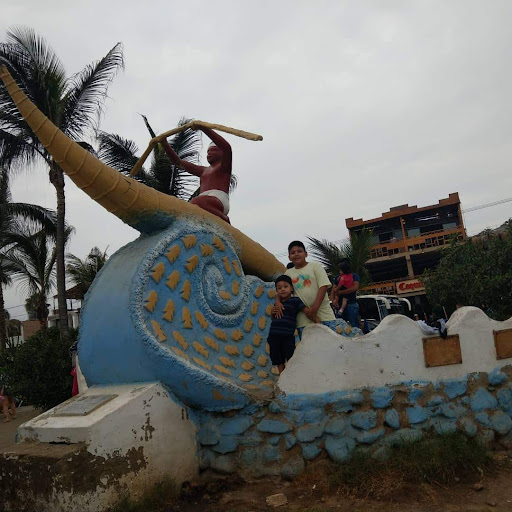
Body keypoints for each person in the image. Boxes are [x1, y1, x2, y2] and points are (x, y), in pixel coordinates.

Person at [160, 125, 233, 223]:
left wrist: (203, 128)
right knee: (191, 206)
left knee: (196, 202)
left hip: (218, 199)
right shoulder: (203, 170)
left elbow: (226, 148)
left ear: (221, 153)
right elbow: (177, 162)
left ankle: (224, 219)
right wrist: (164, 143)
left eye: (213, 150)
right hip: (203, 200)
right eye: (208, 152)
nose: (209, 153)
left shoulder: (224, 167)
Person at [273, 241, 336, 337]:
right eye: (293, 252)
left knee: (331, 343)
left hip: (324, 315)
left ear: (306, 254)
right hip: (303, 320)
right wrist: (278, 302)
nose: (296, 254)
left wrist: (314, 309)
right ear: (289, 257)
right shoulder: (288, 273)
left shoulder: (316, 267)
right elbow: (281, 292)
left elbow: (323, 287)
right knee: (309, 346)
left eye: (299, 251)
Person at [268, 275, 311, 373]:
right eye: (279, 288)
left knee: (291, 356)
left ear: (291, 288)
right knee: (277, 358)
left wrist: (315, 318)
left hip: (287, 335)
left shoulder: (295, 301)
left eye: (285, 286)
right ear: (277, 291)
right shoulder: (277, 304)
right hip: (274, 335)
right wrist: (272, 312)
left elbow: (305, 310)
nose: (282, 289)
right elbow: (273, 319)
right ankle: (282, 377)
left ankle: (292, 376)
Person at [331, 260, 360, 328]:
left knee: (354, 326)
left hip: (351, 304)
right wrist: (333, 301)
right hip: (339, 304)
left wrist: (341, 292)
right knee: (340, 327)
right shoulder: (338, 277)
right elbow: (333, 290)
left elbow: (355, 287)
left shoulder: (354, 275)